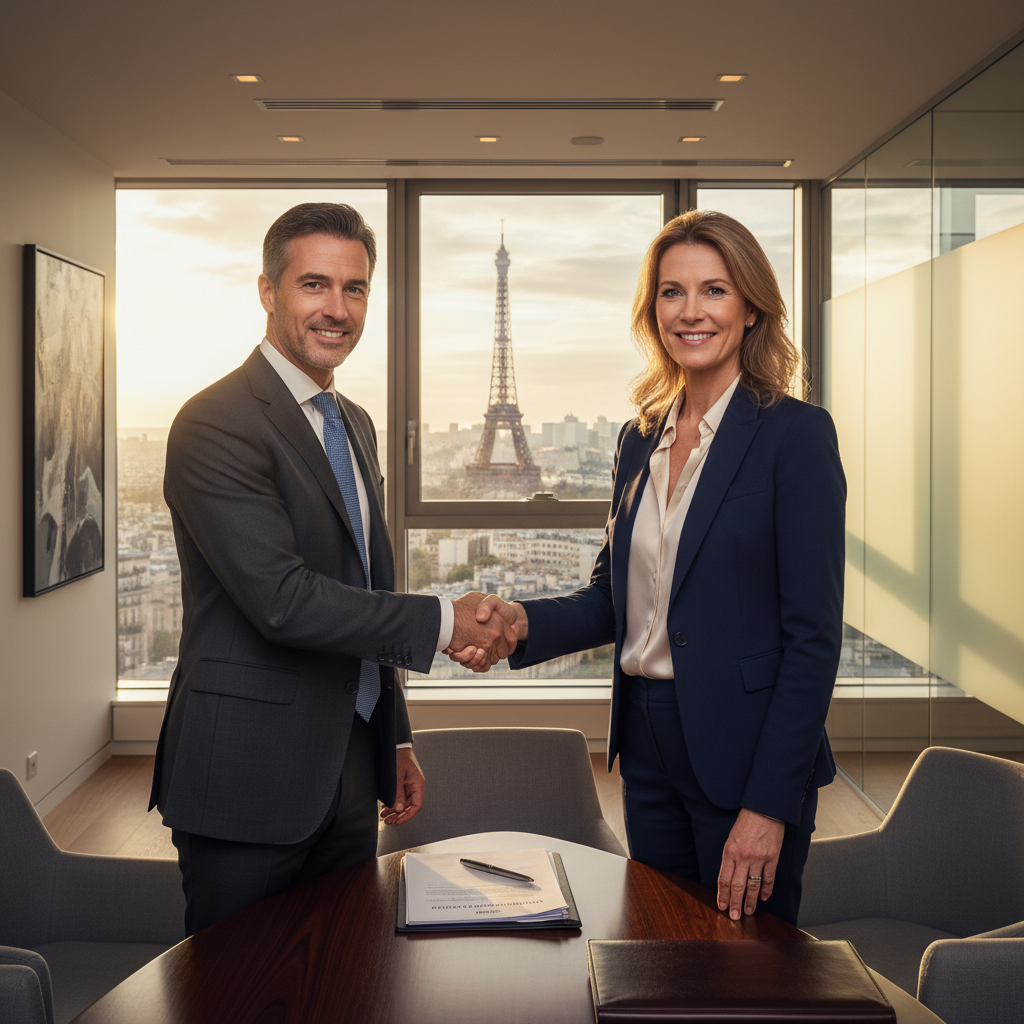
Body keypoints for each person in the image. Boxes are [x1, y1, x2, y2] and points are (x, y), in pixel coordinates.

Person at [455, 210, 845, 926]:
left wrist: (768, 804)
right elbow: (615, 598)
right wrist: (518, 621)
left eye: (715, 290)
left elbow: (814, 640)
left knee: (749, 970)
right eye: (672, 292)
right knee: (661, 952)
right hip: (647, 742)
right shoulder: (639, 440)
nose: (691, 312)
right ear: (651, 309)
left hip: (745, 747)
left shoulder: (796, 436)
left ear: (751, 305)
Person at [150, 202, 516, 935]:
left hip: (348, 769)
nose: (337, 308)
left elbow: (367, 592)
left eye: (355, 289)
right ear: (267, 291)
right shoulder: (215, 420)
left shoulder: (354, 423)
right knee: (235, 993)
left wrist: (396, 736)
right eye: (314, 284)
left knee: (341, 979)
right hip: (246, 774)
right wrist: (447, 620)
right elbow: (283, 600)